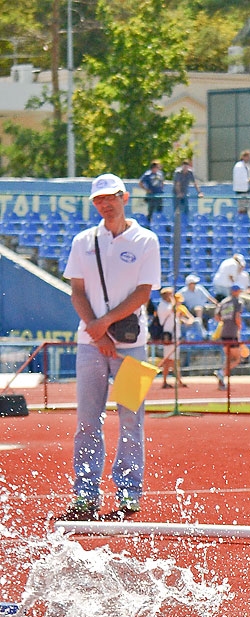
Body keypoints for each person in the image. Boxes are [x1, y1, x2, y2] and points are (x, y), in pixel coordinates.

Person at [58, 173, 161, 521]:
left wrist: (105, 323)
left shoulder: (146, 240)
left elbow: (144, 293)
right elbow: (77, 291)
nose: (105, 203)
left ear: (125, 197)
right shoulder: (83, 241)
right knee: (87, 421)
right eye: (98, 199)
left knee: (132, 420)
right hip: (90, 346)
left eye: (110, 197)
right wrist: (98, 332)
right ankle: (85, 493)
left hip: (134, 345)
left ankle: (129, 493)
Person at [156, 286, 191, 388]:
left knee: (173, 359)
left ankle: (177, 380)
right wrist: (173, 300)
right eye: (170, 294)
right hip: (169, 335)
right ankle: (170, 381)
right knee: (169, 360)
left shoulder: (168, 305)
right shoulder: (163, 305)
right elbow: (172, 308)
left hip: (175, 335)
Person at [215, 284, 243, 390]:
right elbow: (237, 317)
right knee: (236, 359)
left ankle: (221, 381)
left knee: (228, 359)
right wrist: (239, 327)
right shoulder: (237, 302)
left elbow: (217, 317)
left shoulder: (224, 302)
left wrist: (225, 321)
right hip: (232, 333)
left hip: (224, 333)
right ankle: (221, 373)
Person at [138, 159, 165, 227]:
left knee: (159, 210)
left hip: (159, 195)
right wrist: (147, 190)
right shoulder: (148, 174)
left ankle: (159, 224)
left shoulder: (160, 174)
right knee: (151, 210)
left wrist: (162, 187)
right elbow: (140, 183)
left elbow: (162, 182)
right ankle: (148, 225)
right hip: (152, 195)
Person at [232, 150, 250, 215]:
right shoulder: (239, 166)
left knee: (247, 207)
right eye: (247, 157)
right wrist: (247, 180)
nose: (249, 158)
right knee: (241, 208)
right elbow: (238, 178)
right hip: (241, 190)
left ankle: (245, 220)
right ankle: (241, 220)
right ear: (243, 157)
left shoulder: (248, 166)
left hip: (247, 189)